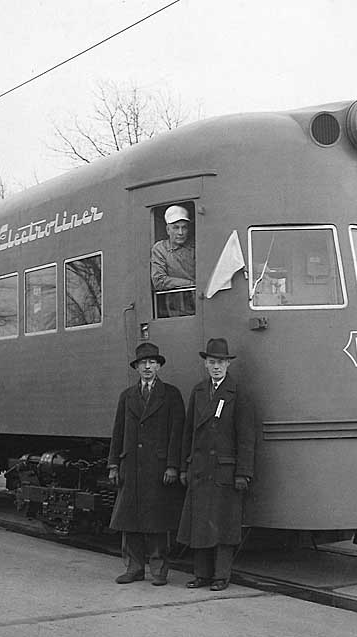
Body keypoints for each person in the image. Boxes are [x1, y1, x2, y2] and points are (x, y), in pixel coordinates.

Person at [178, 337, 256, 592]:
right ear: (205, 365)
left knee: (223, 526)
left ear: (228, 365)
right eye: (212, 362)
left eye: (221, 362)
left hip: (225, 471)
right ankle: (201, 575)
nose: (216, 367)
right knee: (200, 524)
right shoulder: (198, 392)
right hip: (200, 469)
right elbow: (188, 433)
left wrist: (243, 472)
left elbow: (246, 437)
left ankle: (221, 576)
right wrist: (184, 467)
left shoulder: (238, 393)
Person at [107, 342, 186, 586]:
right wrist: (113, 465)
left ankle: (159, 570)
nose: (147, 367)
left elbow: (178, 433)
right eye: (143, 363)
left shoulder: (171, 395)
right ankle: (134, 568)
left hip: (158, 468)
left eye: (152, 362)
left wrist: (173, 465)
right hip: (131, 466)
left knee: (157, 521)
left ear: (159, 366)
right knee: (129, 520)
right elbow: (118, 432)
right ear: (137, 368)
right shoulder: (127, 396)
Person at [151, 205, 196, 317]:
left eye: (184, 227)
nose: (180, 232)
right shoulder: (160, 249)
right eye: (176, 227)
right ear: (168, 229)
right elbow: (159, 280)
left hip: (200, 304)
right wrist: (191, 284)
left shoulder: (196, 246)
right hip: (175, 309)